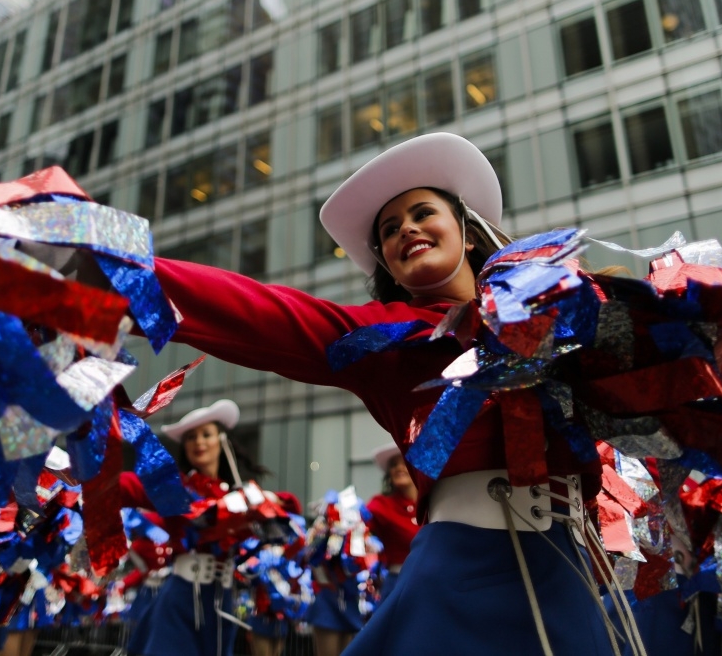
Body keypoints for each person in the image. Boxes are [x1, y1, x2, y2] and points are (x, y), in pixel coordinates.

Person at [152, 132, 619, 655]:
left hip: (571, 580)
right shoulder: (387, 340)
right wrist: (113, 260)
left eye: (423, 213)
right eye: (390, 230)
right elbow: (260, 312)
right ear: (390, 265)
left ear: (467, 234)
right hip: (462, 584)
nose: (407, 229)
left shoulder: (561, 314)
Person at [121, 398, 266, 656]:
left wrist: (269, 503)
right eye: (191, 437)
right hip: (182, 599)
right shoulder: (177, 488)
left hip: (222, 602)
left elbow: (290, 507)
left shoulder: (238, 495)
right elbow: (127, 485)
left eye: (206, 434)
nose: (199, 442)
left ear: (221, 440)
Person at [364, 442, 418, 602]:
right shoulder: (380, 505)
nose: (399, 468)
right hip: (398, 585)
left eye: (405, 462)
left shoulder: (435, 501)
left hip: (436, 585)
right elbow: (357, 529)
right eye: (394, 465)